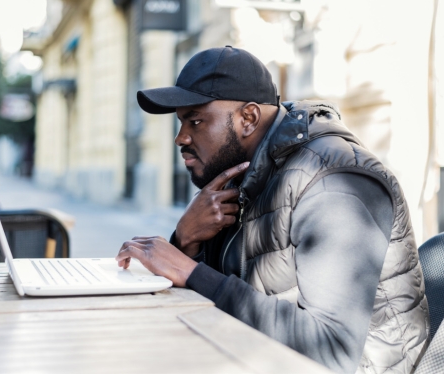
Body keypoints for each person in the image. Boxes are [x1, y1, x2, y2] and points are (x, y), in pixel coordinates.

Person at [115, 46, 428, 373]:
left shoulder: (331, 181)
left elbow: (331, 350)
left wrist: (189, 271)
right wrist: (186, 240)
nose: (180, 138)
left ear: (248, 118)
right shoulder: (243, 175)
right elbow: (225, 297)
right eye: (181, 123)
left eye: (195, 121)